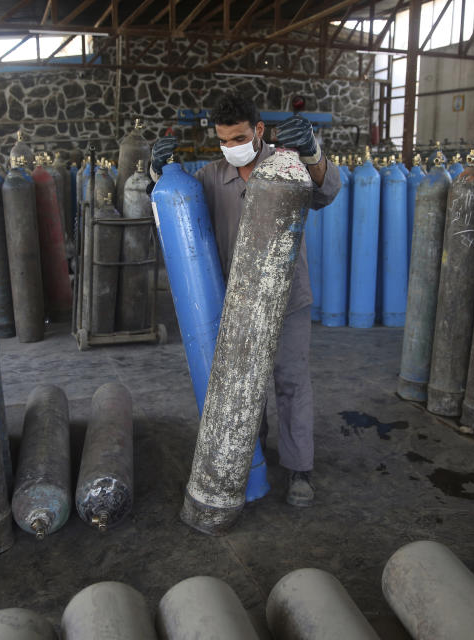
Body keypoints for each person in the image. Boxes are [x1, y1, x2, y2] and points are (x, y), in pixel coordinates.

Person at [150, 93, 341, 507]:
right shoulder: (210, 177)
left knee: (290, 383)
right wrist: (156, 173)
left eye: (238, 136)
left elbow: (327, 191)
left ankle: (299, 470)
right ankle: (251, 457)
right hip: (234, 304)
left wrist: (311, 153)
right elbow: (174, 210)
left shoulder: (287, 166)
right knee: (241, 387)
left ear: (259, 130)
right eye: (222, 140)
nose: (230, 146)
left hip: (287, 298)